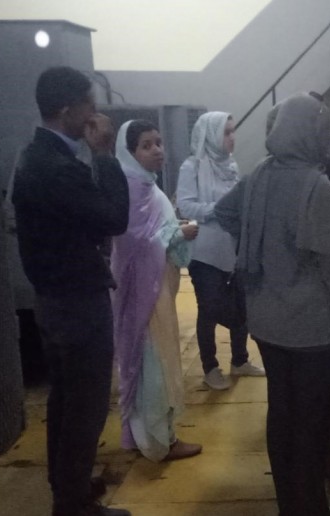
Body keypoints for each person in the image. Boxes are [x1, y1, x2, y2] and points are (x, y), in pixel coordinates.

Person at [215, 93, 330, 516]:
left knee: (281, 414)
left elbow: (224, 212)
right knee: (312, 425)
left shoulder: (259, 175)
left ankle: (288, 506)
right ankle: (311, 508)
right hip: (312, 329)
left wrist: (256, 244)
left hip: (265, 320)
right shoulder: (319, 189)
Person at [12, 66, 130, 516]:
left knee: (64, 399)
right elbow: (113, 218)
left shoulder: (32, 156)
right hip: (77, 302)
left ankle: (68, 485)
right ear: (67, 109)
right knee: (86, 405)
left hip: (52, 299)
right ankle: (73, 503)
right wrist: (104, 154)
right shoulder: (59, 168)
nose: (94, 115)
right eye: (90, 106)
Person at [109, 120, 202, 462]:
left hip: (156, 288)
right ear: (129, 151)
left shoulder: (146, 185)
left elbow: (152, 234)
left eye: (159, 143)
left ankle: (144, 436)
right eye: (146, 145)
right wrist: (179, 234)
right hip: (143, 294)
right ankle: (160, 441)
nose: (157, 150)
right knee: (153, 364)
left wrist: (174, 229)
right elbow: (135, 243)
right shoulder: (131, 188)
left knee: (149, 360)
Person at [176, 112, 265, 390]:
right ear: (211, 135)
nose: (232, 138)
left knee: (241, 304)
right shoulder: (192, 166)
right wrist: (220, 209)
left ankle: (239, 360)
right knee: (209, 309)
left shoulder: (231, 166)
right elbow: (185, 206)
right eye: (226, 132)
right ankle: (210, 367)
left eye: (233, 131)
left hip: (233, 249)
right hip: (205, 252)